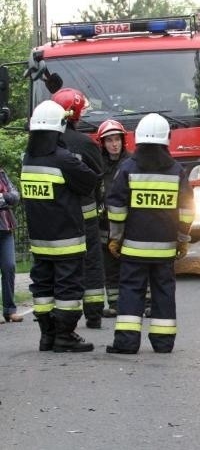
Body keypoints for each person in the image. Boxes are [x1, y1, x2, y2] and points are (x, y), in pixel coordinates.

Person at [105, 113, 193, 354]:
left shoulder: (127, 169)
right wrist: (183, 239)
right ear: (167, 140)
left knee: (131, 291)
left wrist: (116, 237)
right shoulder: (176, 171)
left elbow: (116, 207)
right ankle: (163, 343)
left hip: (133, 248)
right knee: (163, 291)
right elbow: (187, 210)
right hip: (165, 249)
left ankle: (126, 343)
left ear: (139, 139)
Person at [21, 100, 99, 352]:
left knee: (42, 286)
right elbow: (90, 182)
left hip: (39, 241)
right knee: (69, 287)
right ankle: (65, 336)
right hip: (66, 239)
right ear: (59, 128)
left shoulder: (27, 159)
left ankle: (47, 335)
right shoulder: (64, 159)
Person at [52, 88, 106, 329]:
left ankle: (59, 313)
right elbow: (98, 177)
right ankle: (93, 313)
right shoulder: (86, 143)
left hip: (57, 216)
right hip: (86, 213)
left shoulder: (45, 145)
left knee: (61, 264)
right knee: (91, 261)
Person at [96, 119, 130, 317]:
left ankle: (146, 302)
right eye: (109, 140)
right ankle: (116, 304)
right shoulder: (98, 166)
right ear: (103, 143)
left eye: (117, 139)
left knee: (134, 264)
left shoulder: (131, 163)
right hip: (105, 225)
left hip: (129, 224)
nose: (114, 144)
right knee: (110, 266)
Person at [0, 166, 21, 323]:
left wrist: (3, 197)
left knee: (9, 266)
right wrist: (5, 200)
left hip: (6, 227)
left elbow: (15, 196)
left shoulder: (2, 174)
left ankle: (10, 310)